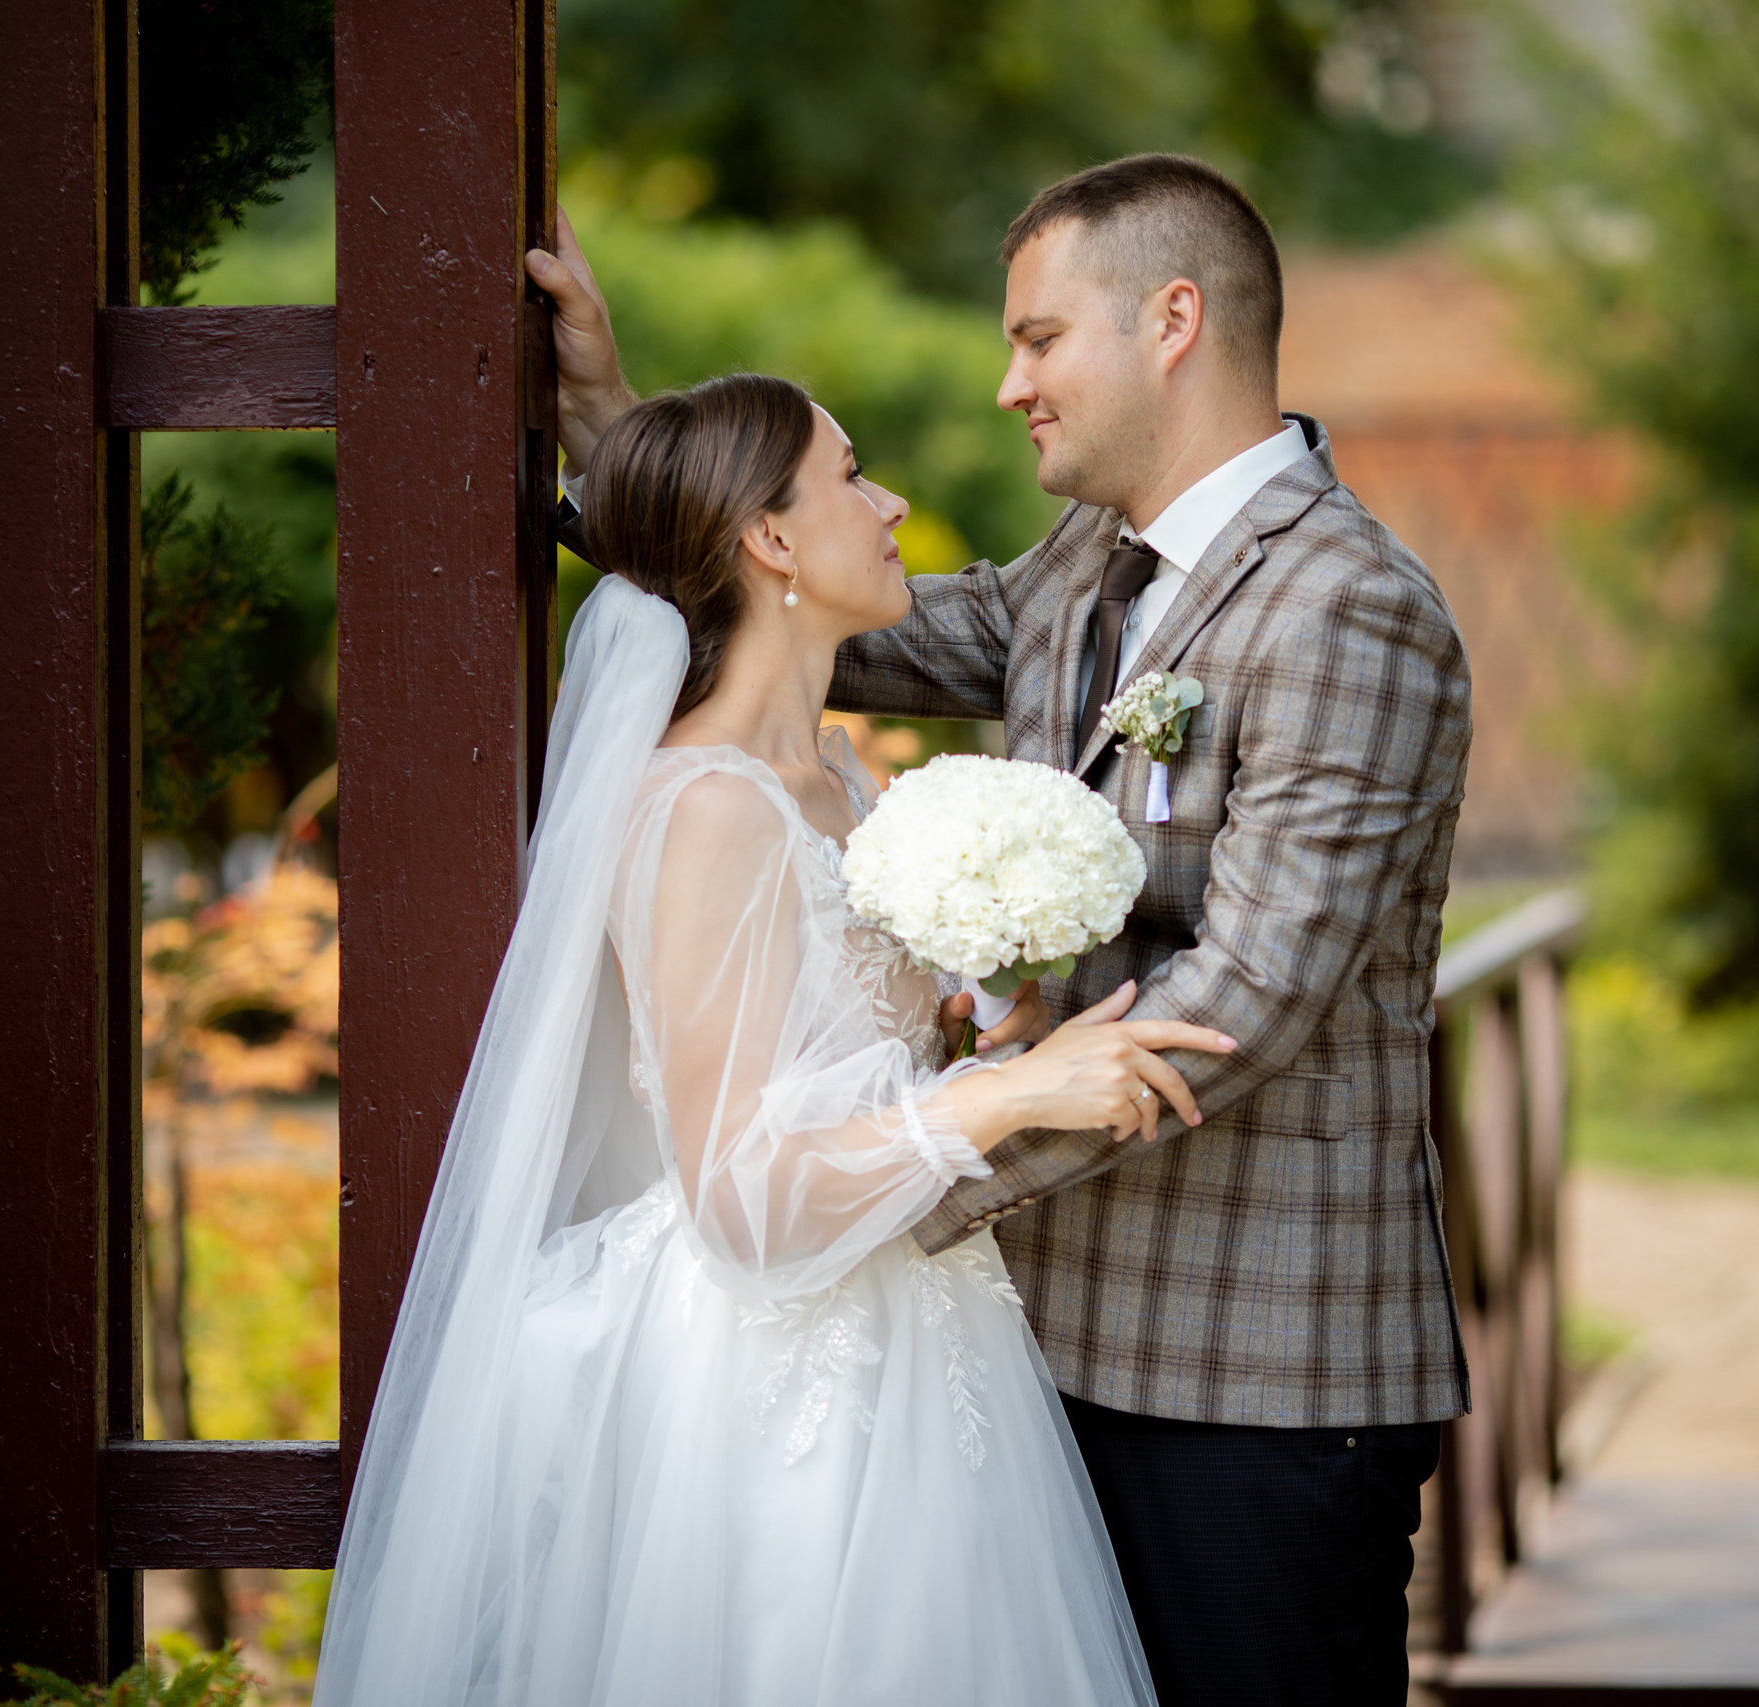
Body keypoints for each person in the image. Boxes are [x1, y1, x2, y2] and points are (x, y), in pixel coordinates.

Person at [529, 153, 1473, 1706]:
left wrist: (870, 1191)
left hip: (1252, 1374)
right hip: (1032, 1354)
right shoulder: (1086, 570)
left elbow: (1243, 1003)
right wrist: (611, 423)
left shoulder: (1348, 607)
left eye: (1039, 339)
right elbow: (800, 612)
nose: (1007, 384)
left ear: (1172, 322)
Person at [313, 372, 1238, 1704]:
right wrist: (1011, 1097)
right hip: (765, 1395)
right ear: (770, 539)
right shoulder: (707, 809)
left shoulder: (841, 782)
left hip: (920, 1333)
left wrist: (995, 1044)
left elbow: (856, 1079)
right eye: (852, 476)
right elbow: (741, 1201)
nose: (892, 504)